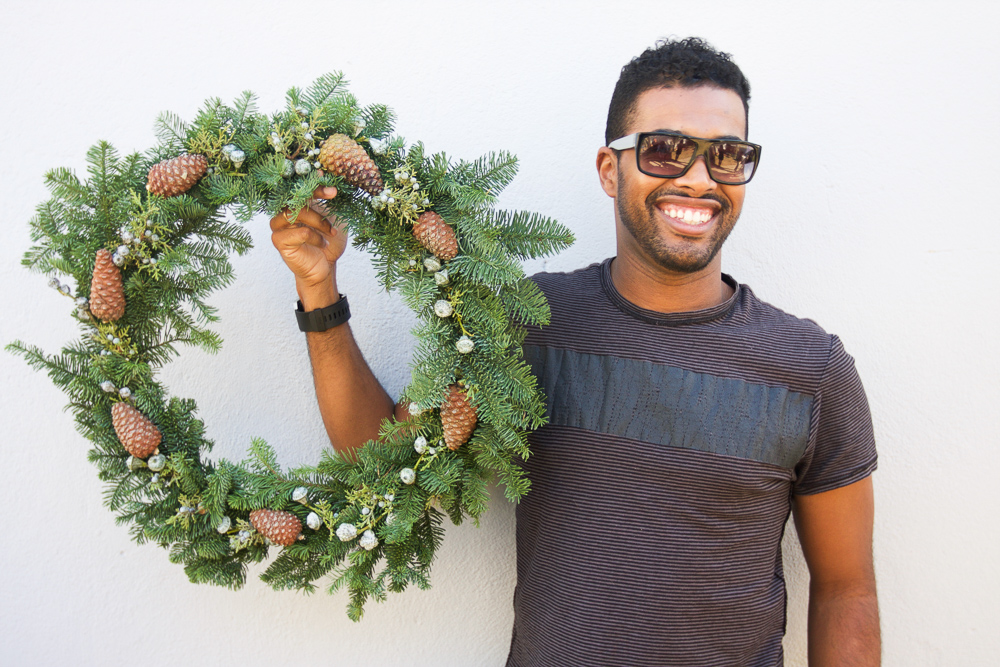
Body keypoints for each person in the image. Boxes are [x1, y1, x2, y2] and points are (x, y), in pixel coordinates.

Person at [270, 37, 880, 667]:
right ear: (609, 169)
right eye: (666, 150)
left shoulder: (811, 369)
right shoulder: (523, 328)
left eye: (727, 155)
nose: (699, 179)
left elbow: (846, 589)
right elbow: (379, 453)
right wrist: (319, 291)